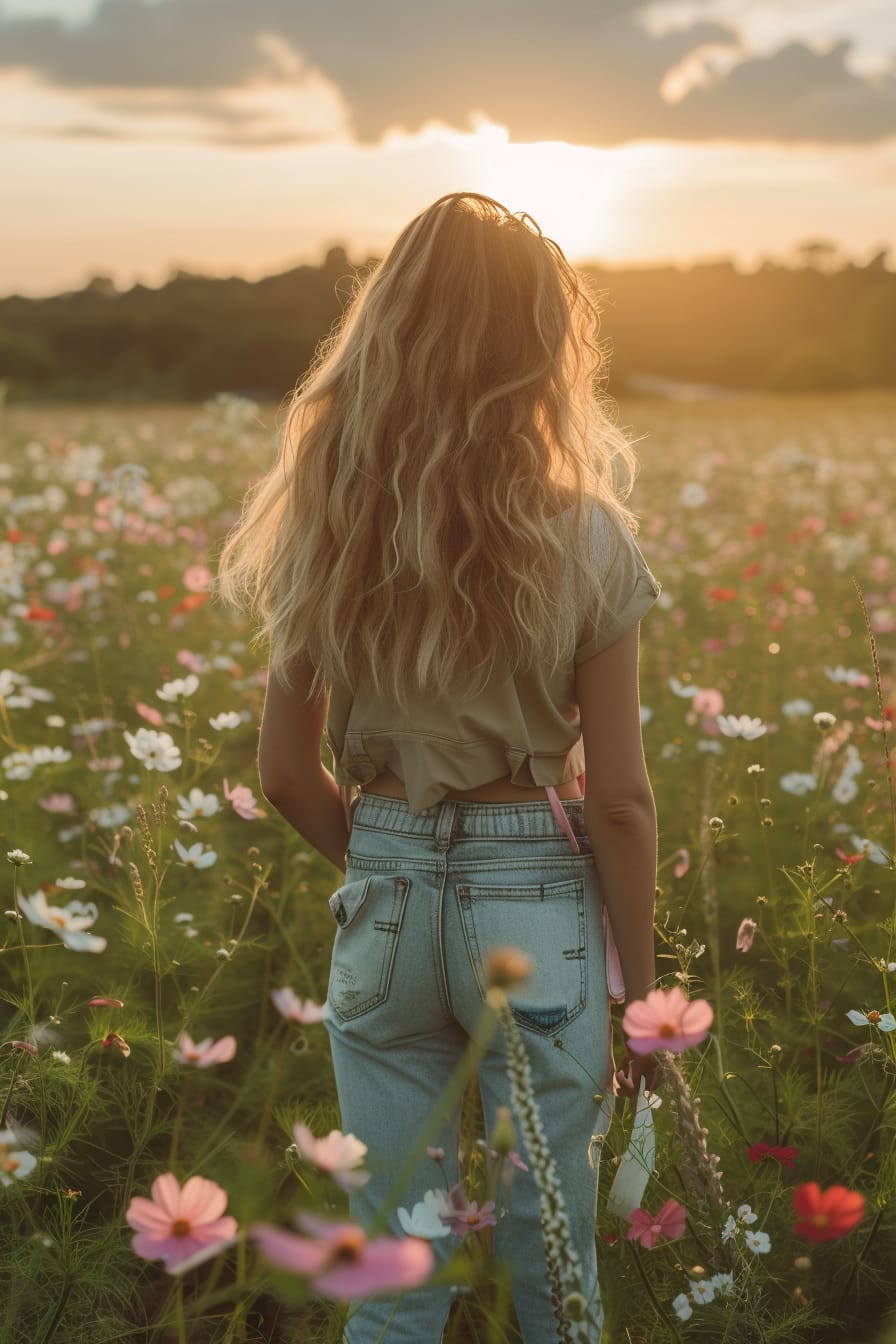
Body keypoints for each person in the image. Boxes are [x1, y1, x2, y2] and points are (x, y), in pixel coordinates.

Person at [216, 192, 662, 1343]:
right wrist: (642, 989)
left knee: (400, 1262)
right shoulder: (590, 537)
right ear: (541, 352)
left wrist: (385, 858)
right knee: (549, 1253)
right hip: (539, 909)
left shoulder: (326, 522)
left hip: (384, 882)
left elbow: (282, 771)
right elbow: (614, 800)